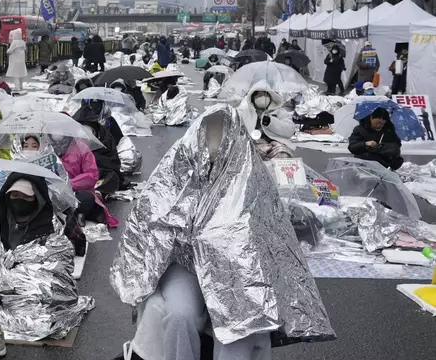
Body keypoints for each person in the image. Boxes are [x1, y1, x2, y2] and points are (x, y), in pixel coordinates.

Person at [110, 105, 334, 360]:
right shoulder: (179, 170)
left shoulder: (251, 176)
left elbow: (268, 228)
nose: (215, 140)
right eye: (210, 132)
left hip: (238, 271)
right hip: (188, 267)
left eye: (221, 133)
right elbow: (152, 218)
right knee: (179, 316)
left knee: (241, 327)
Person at [54, 136, 119, 228]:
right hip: (54, 192)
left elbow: (91, 175)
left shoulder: (81, 148)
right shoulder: (45, 149)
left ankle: (76, 213)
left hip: (76, 192)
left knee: (86, 198)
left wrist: (69, 184)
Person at [0, 173, 56, 251]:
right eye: (15, 195)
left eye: (27, 196)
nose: (20, 200)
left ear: (38, 199)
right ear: (7, 196)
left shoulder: (51, 227)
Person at [237, 80, 297, 160]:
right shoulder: (245, 112)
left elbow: (289, 130)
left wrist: (270, 122)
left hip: (275, 144)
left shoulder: (280, 112)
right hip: (253, 144)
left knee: (283, 154)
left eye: (265, 95)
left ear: (270, 97)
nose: (262, 98)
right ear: (252, 98)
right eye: (258, 95)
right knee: (250, 155)